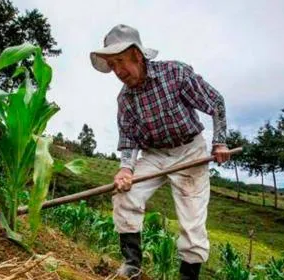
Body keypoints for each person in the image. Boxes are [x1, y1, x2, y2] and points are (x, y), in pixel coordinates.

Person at [90, 24, 231, 280]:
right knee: (124, 195)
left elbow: (215, 102)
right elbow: (129, 139)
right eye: (112, 66)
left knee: (192, 222)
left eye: (120, 61)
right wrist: (125, 169)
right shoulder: (125, 100)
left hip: (190, 152)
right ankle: (132, 266)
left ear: (137, 55)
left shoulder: (174, 74)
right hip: (154, 155)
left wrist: (219, 142)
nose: (118, 71)